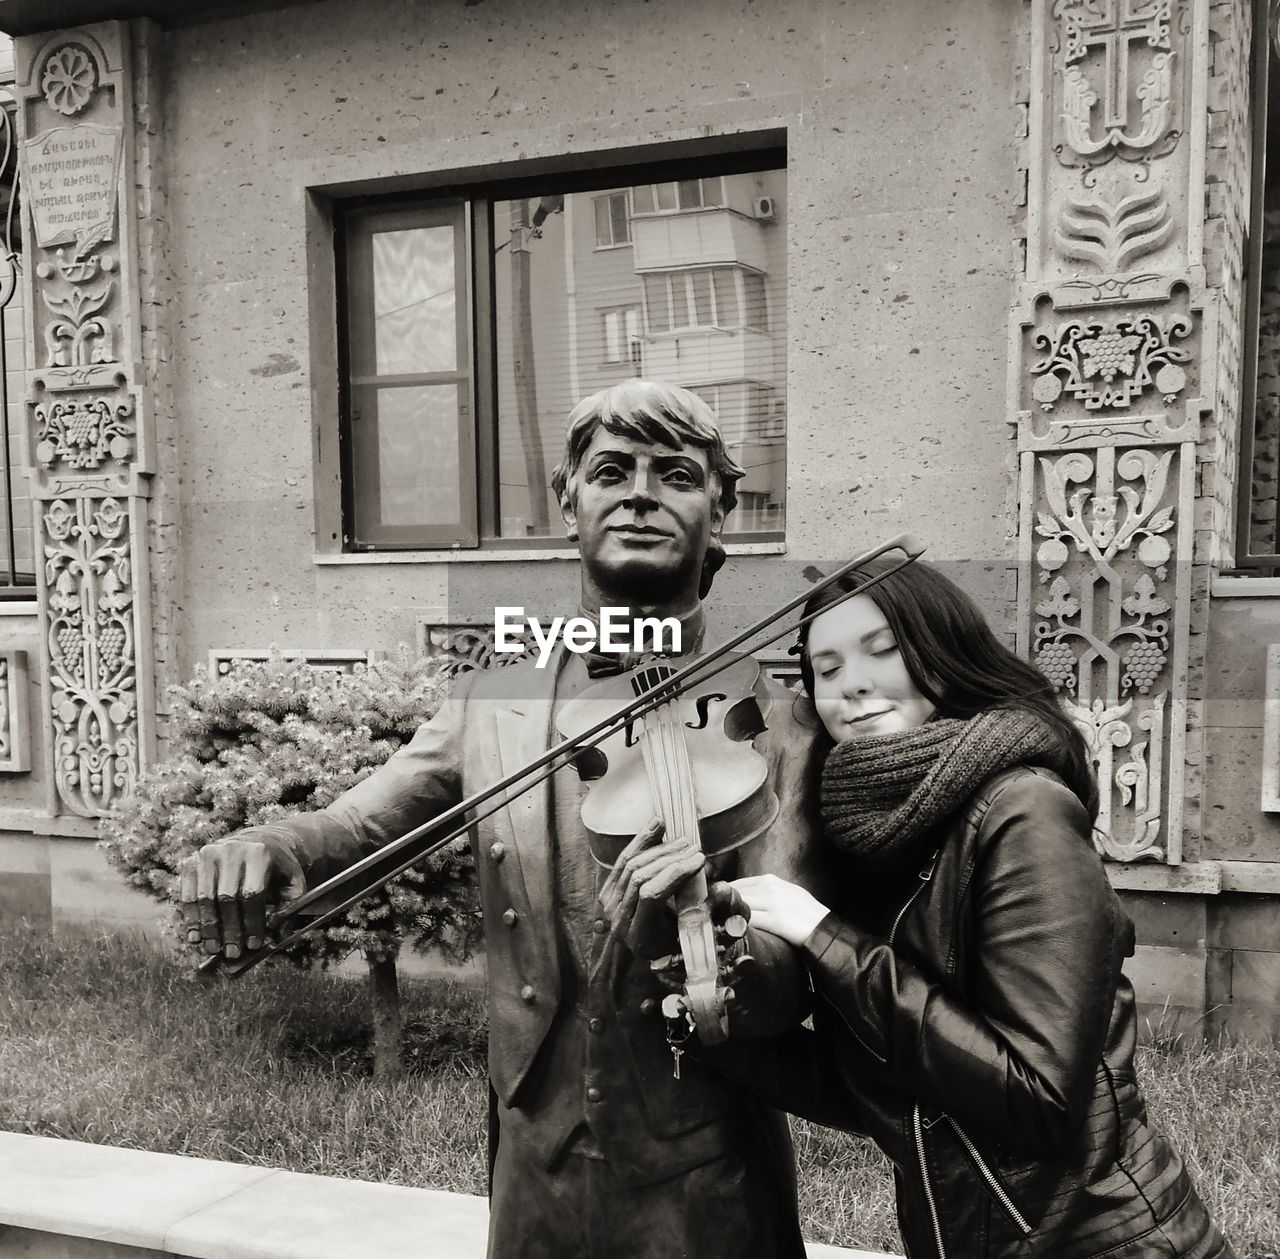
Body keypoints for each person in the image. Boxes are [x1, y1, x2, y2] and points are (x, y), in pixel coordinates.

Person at [179, 379, 830, 1259]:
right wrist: (273, 842)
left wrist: (710, 945)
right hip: (533, 1155)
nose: (640, 491)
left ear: (720, 508)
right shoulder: (497, 692)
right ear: (569, 501)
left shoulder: (778, 721)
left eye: (675, 473)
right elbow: (363, 824)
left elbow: (795, 971)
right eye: (611, 471)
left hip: (704, 1164)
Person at [724, 557, 1235, 1259]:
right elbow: (893, 1096)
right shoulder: (873, 840)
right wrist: (717, 1028)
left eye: (884, 649)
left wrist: (822, 934)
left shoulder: (1022, 812)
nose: (855, 684)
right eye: (828, 668)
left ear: (943, 653)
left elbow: (1038, 1097)